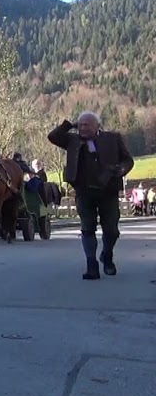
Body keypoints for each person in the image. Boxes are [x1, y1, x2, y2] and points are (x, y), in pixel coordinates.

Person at [48, 111, 134, 279]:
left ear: (97, 126)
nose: (82, 128)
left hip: (108, 191)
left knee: (112, 230)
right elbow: (53, 136)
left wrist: (120, 170)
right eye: (80, 125)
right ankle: (91, 266)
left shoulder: (113, 139)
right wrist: (69, 125)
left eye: (86, 124)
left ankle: (107, 256)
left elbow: (128, 160)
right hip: (84, 191)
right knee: (87, 228)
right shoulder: (72, 140)